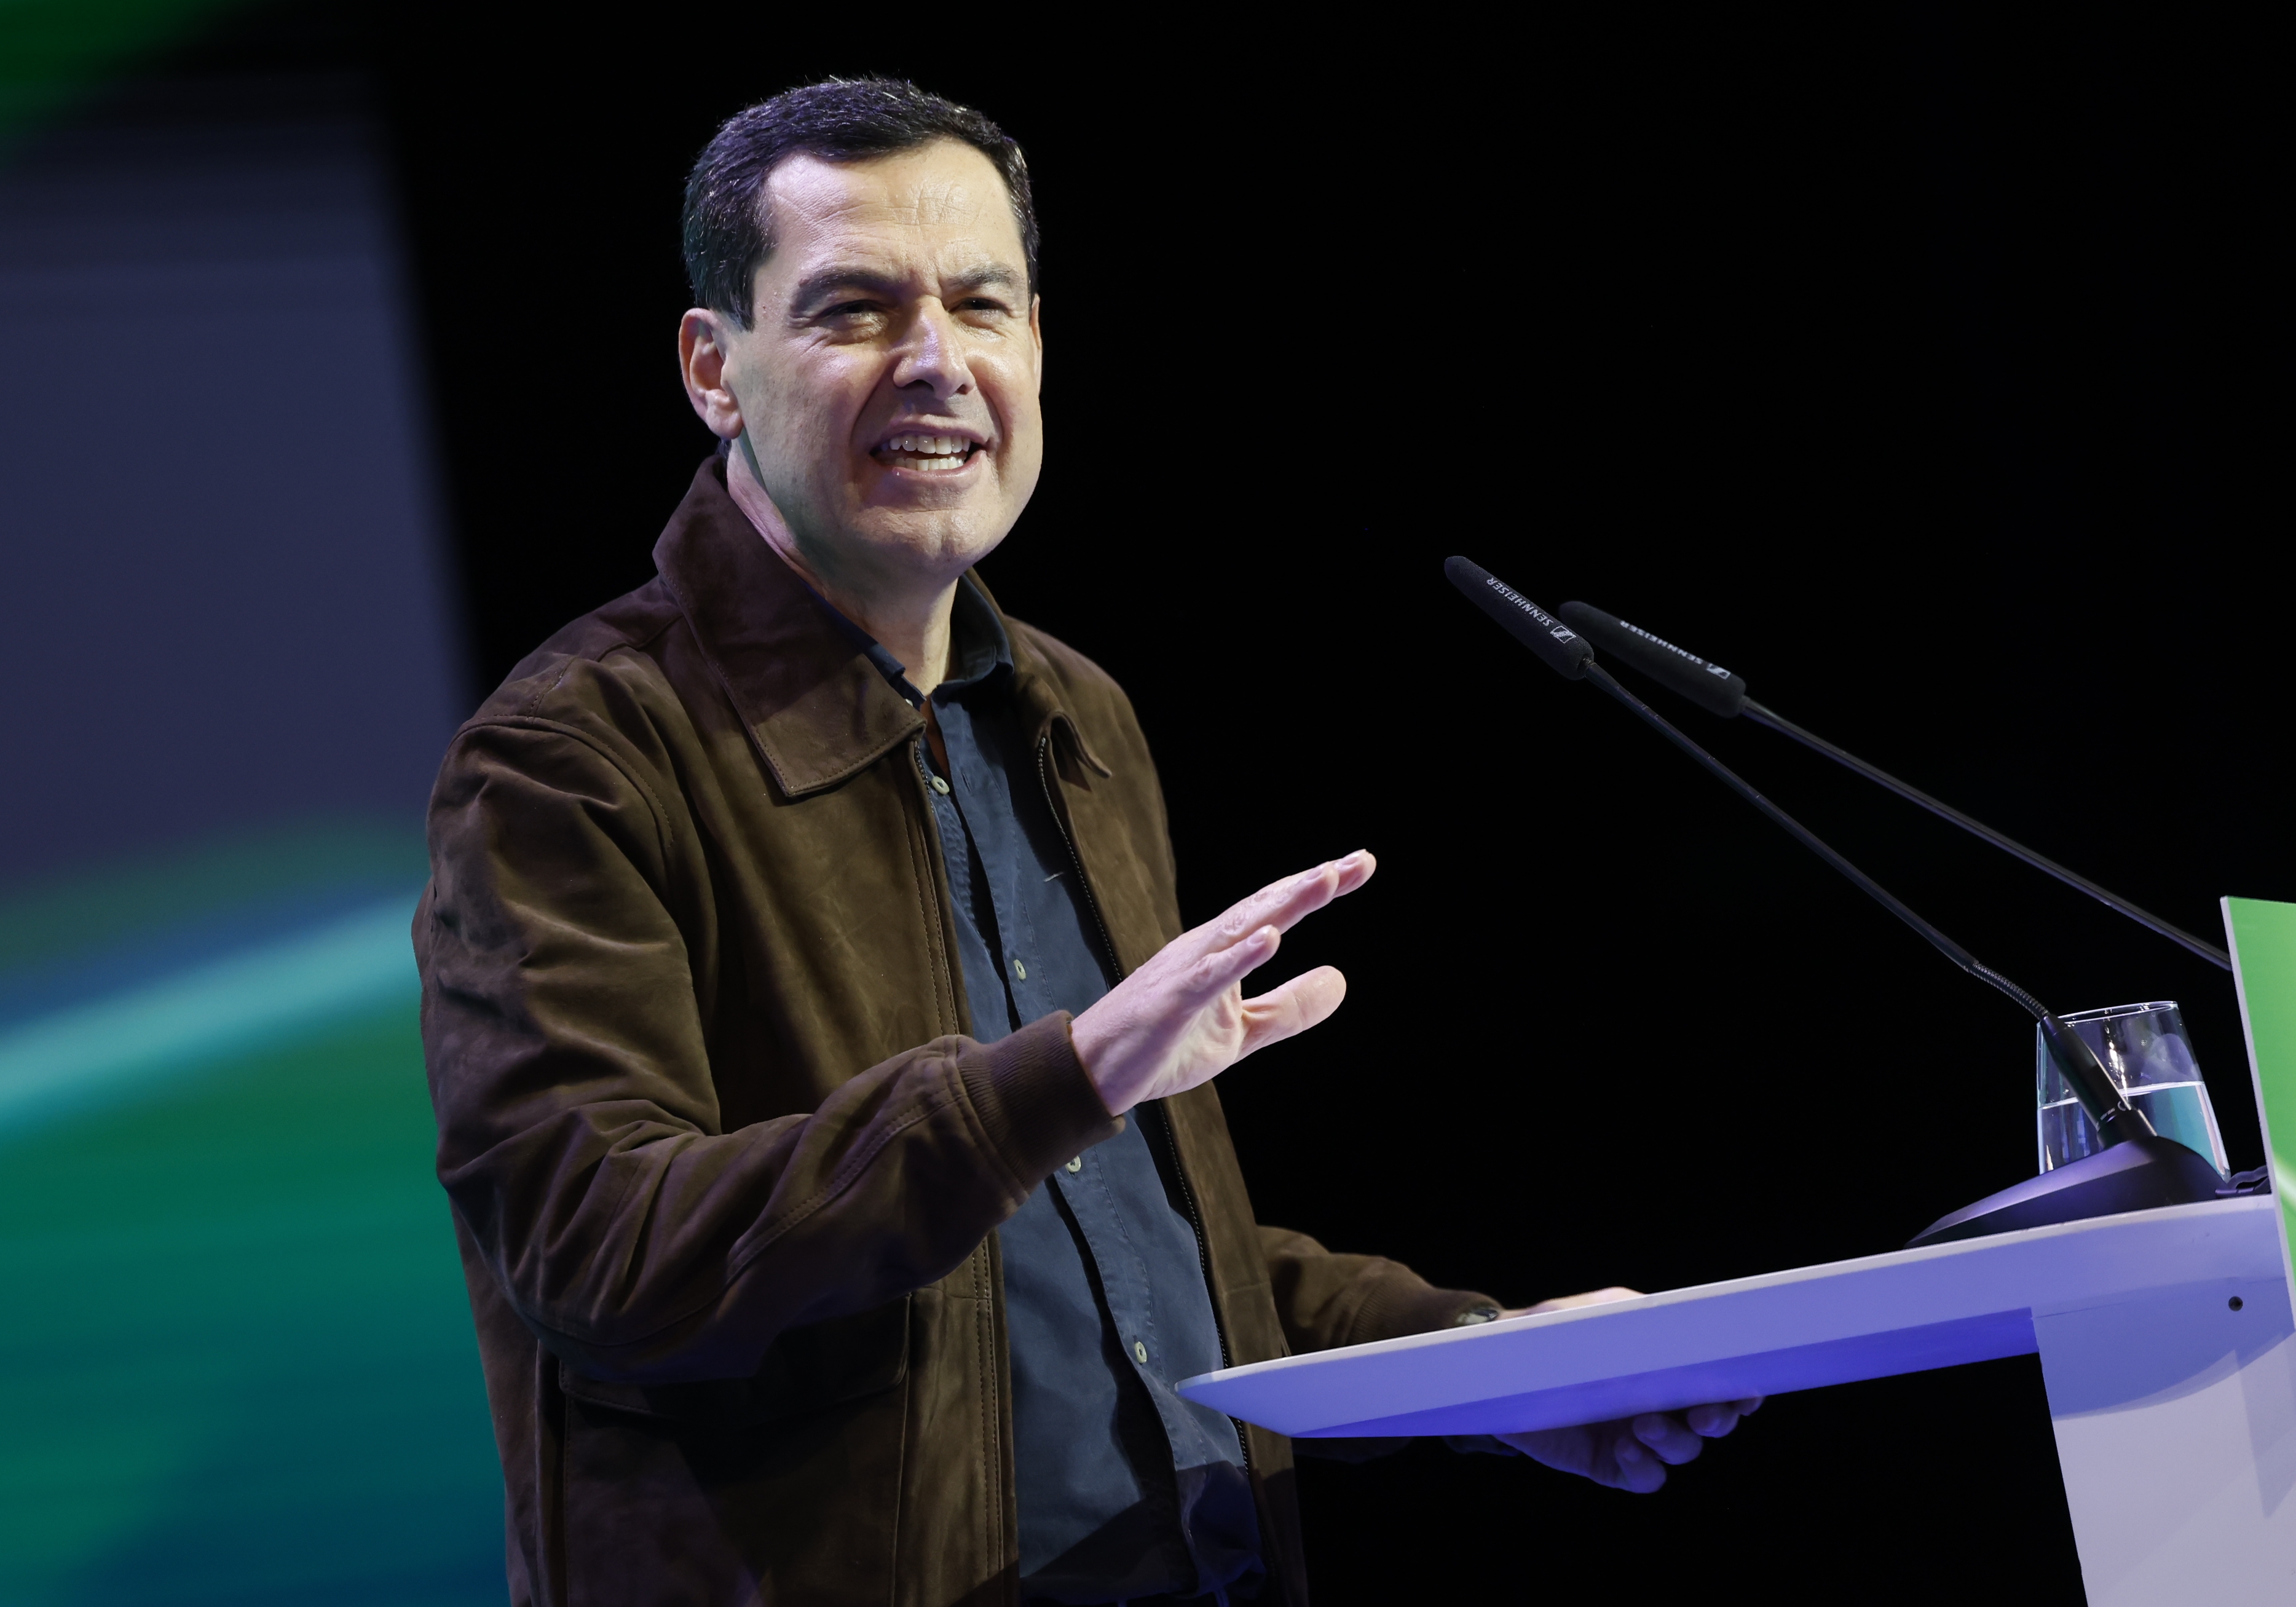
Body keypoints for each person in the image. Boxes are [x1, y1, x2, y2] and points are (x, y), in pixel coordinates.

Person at [414, 78, 1754, 1607]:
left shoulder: (1070, 713)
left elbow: (1125, 1250)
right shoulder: (570, 760)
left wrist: (1476, 1362)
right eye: (855, 309)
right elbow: (605, 1259)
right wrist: (1067, 1075)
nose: (935, 362)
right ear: (714, 370)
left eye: (980, 304)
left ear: (1036, 344)